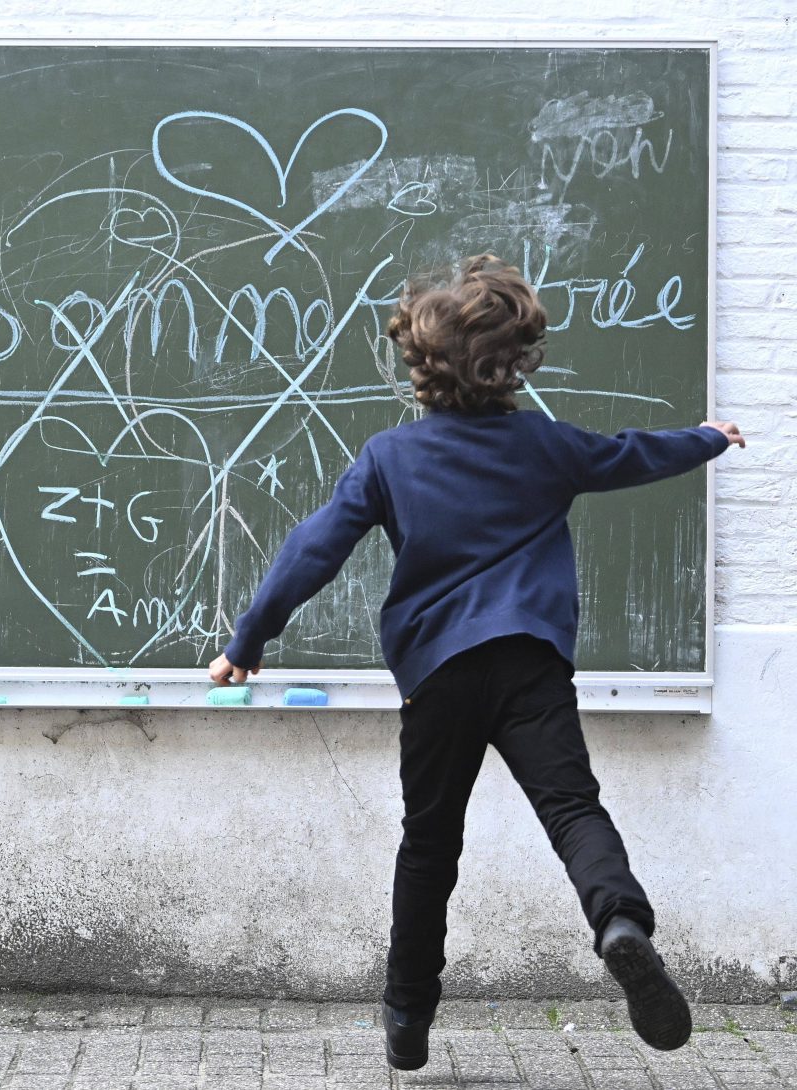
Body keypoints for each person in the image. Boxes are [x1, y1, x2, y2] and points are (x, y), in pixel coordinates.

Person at [206, 252, 744, 1071]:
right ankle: (619, 922)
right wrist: (708, 439)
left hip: (439, 678)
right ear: (514, 362)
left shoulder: (390, 457)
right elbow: (634, 454)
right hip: (529, 663)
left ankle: (407, 1015)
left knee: (430, 844)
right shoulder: (544, 444)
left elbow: (311, 549)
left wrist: (248, 641)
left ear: (422, 369)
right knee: (572, 810)